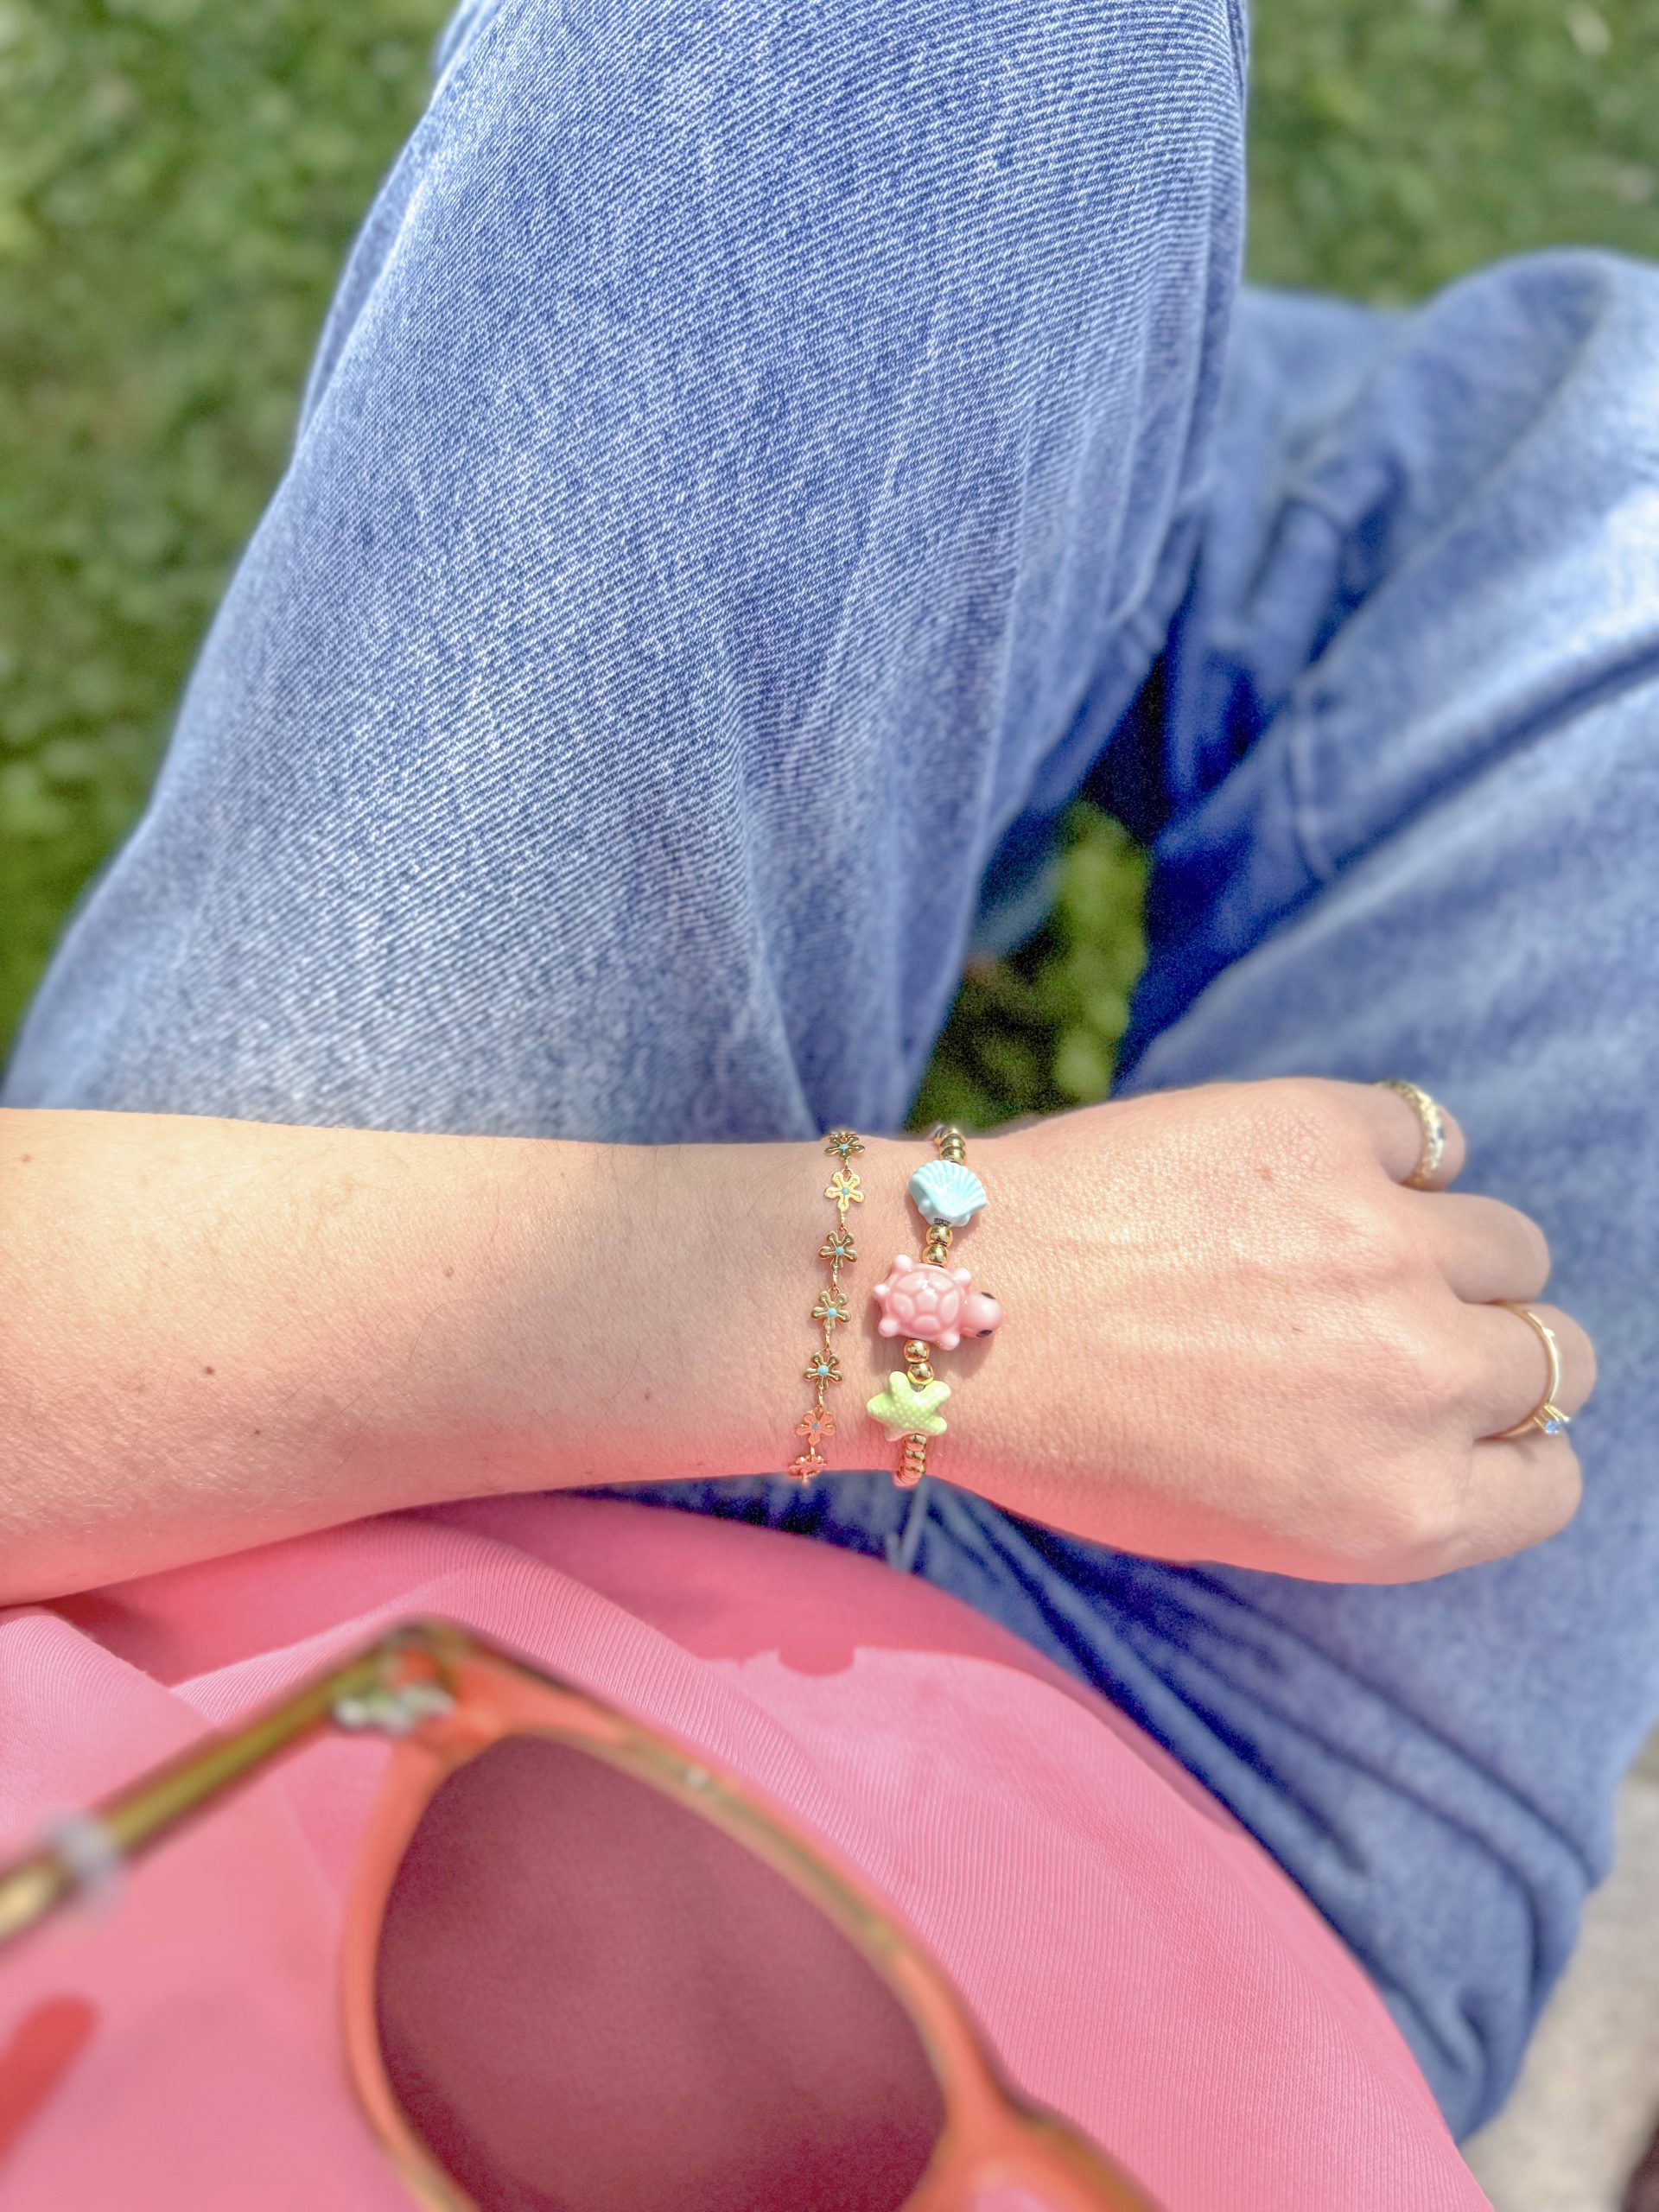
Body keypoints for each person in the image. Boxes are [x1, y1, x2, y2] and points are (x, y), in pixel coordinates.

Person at [0, 0, 1653, 2198]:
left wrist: (914, 1293)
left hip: (300, 1515)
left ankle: (1031, 561)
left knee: (872, 66)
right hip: (1229, 1933)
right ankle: (1075, 542)